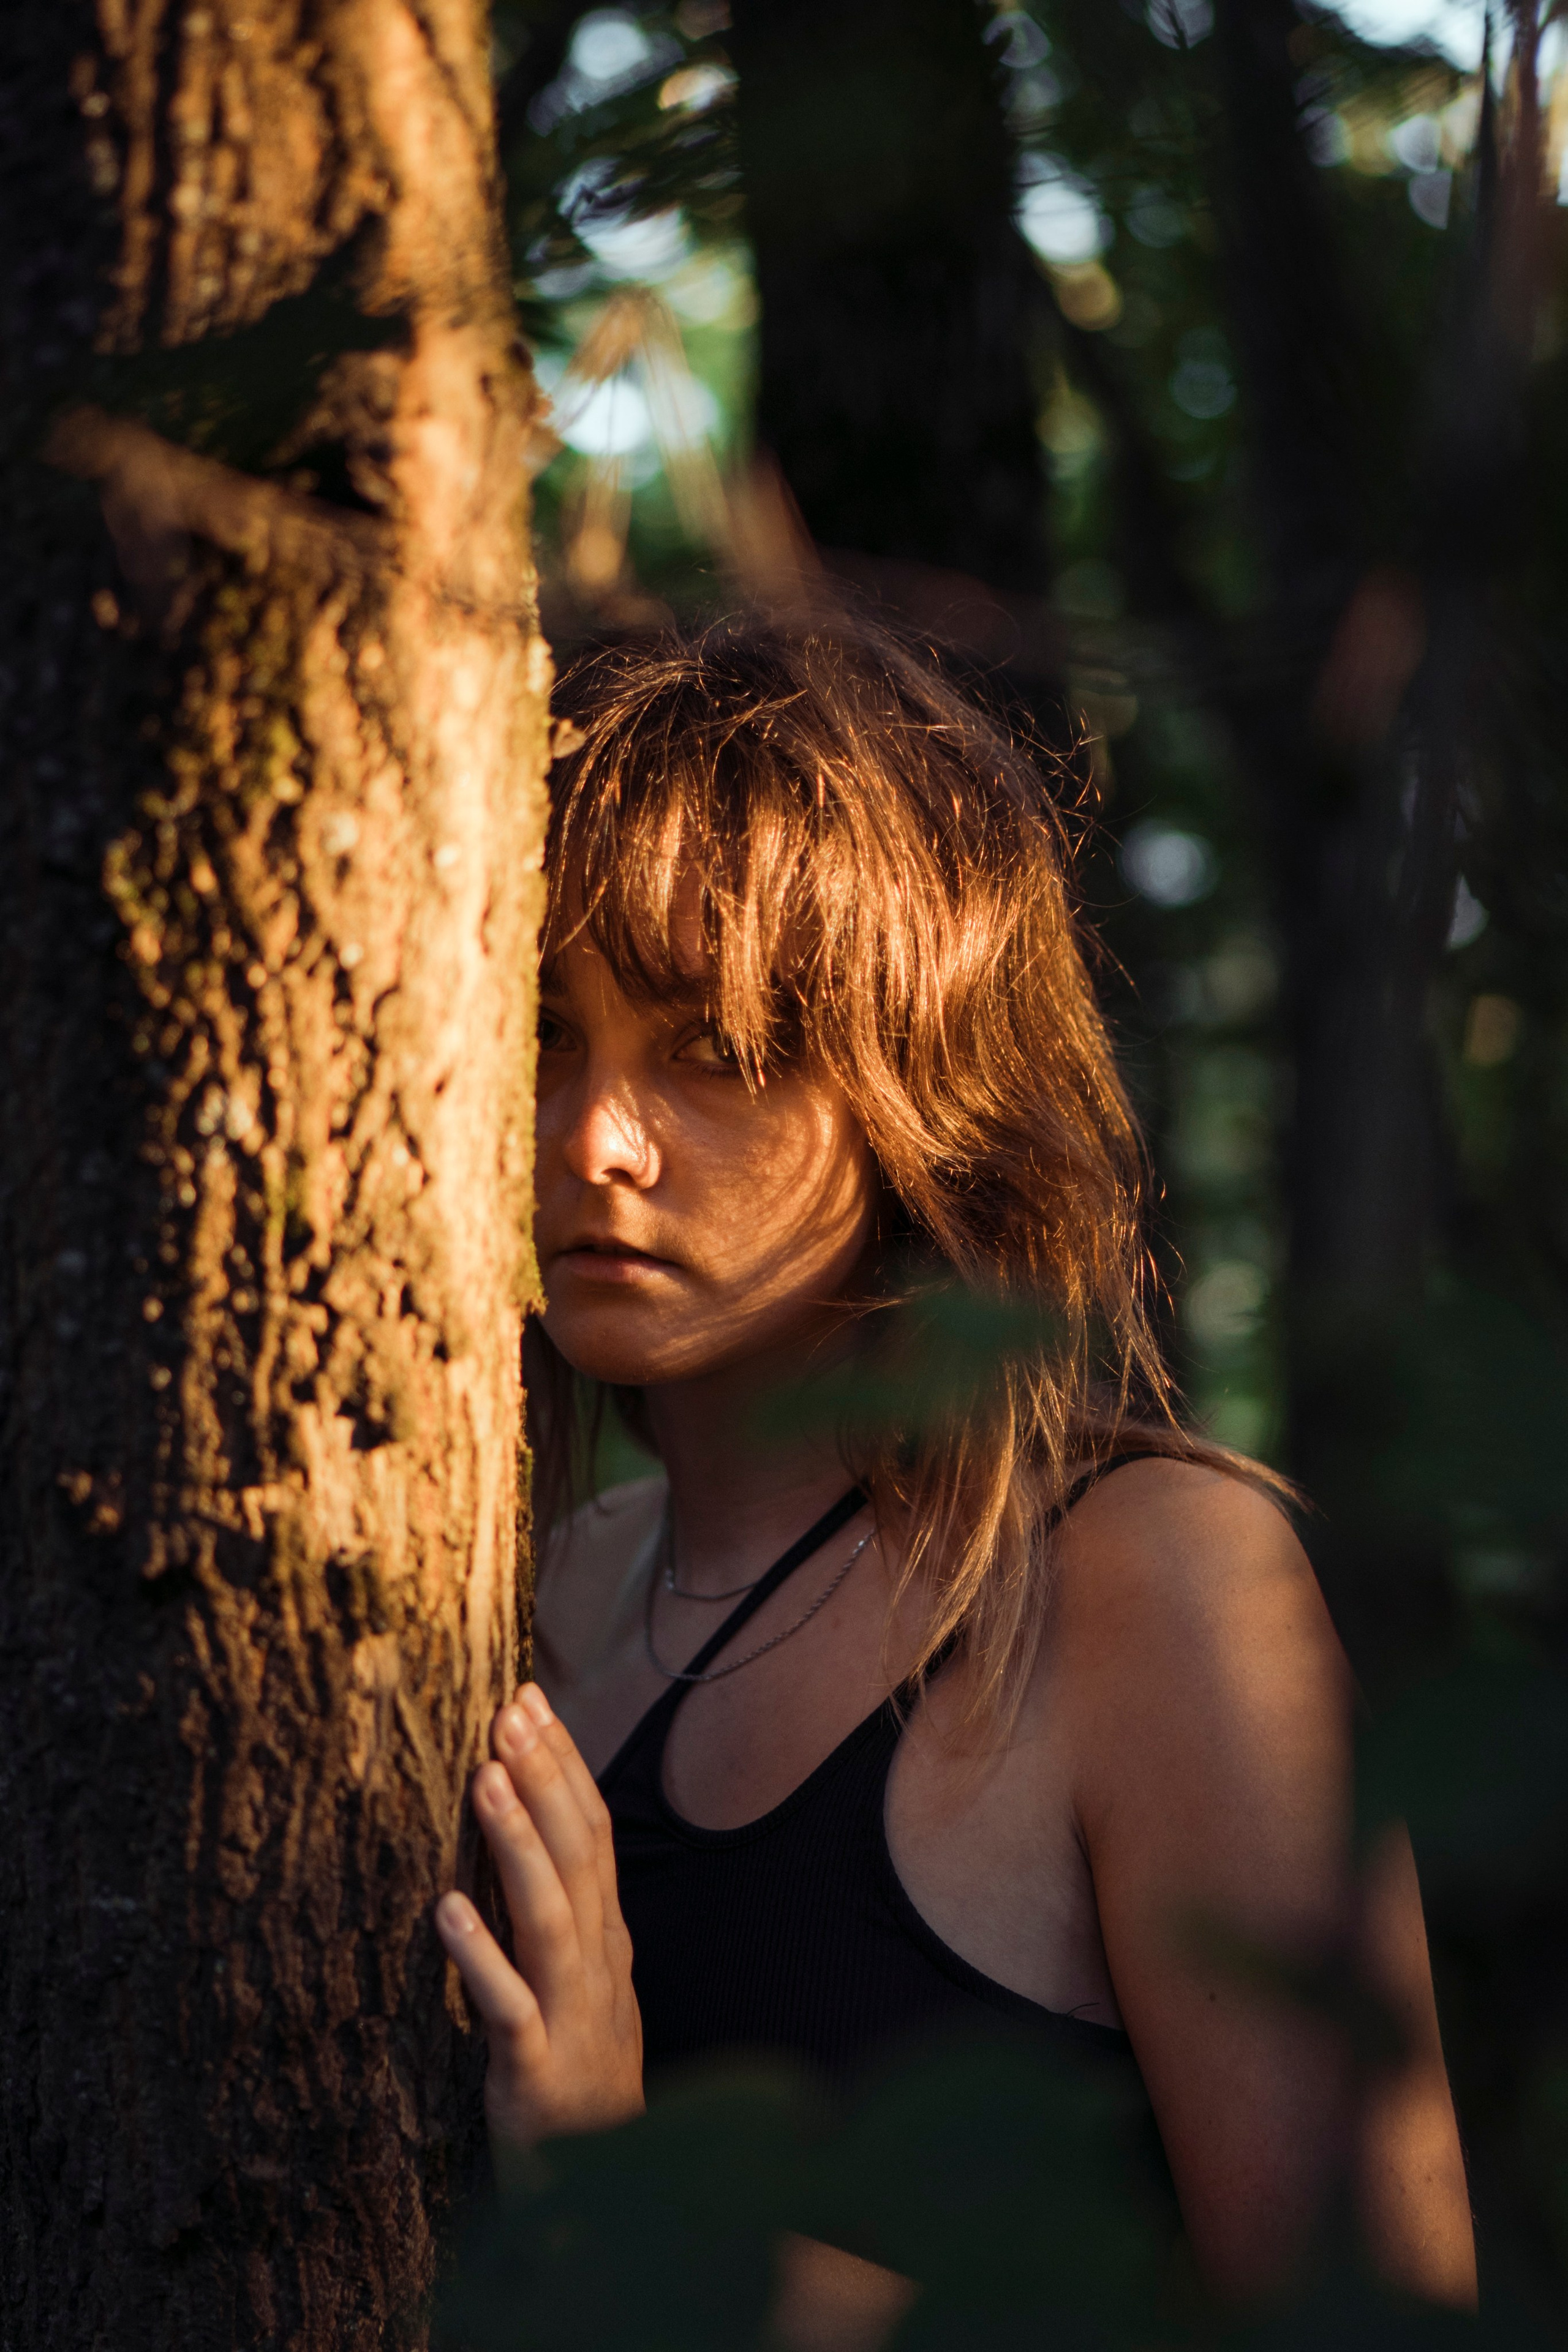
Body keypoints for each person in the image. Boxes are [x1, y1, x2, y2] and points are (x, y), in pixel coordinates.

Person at [435, 617, 1475, 2312]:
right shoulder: (514, 1591)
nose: (593, 1140)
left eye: (719, 1049)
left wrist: (642, 2216)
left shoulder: (1153, 1586)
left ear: (924, 1085)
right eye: (549, 1030)